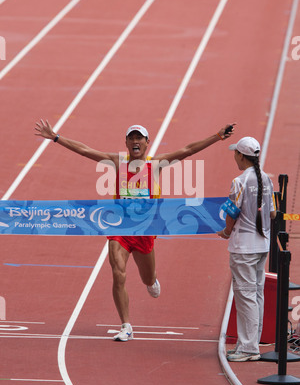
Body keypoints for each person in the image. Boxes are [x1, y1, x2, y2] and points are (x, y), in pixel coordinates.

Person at [35, 119, 235, 341]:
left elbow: (188, 150)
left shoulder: (155, 164)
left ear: (147, 143)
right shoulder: (116, 162)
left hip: (144, 231)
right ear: (126, 143)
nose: (135, 141)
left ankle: (151, 281)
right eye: (131, 138)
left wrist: (217, 136)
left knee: (148, 279)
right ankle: (126, 325)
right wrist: (56, 137)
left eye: (139, 137)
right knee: (117, 271)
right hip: (119, 228)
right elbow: (85, 150)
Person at [217, 137, 277, 361]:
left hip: (244, 247)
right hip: (262, 245)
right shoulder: (266, 180)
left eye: (236, 153)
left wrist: (225, 232)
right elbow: (271, 213)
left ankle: (249, 348)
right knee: (256, 294)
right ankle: (250, 343)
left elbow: (232, 213)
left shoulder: (240, 181)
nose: (234, 157)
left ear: (241, 156)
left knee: (245, 295)